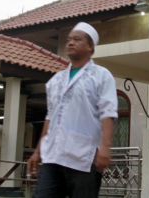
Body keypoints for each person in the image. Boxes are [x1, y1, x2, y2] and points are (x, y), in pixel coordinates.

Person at [28, 22, 118, 198]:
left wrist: (105, 148)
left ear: (90, 46)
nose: (70, 43)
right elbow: (50, 118)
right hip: (53, 156)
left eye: (77, 39)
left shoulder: (101, 75)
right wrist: (38, 151)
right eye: (69, 39)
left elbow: (108, 112)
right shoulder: (56, 80)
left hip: (84, 157)